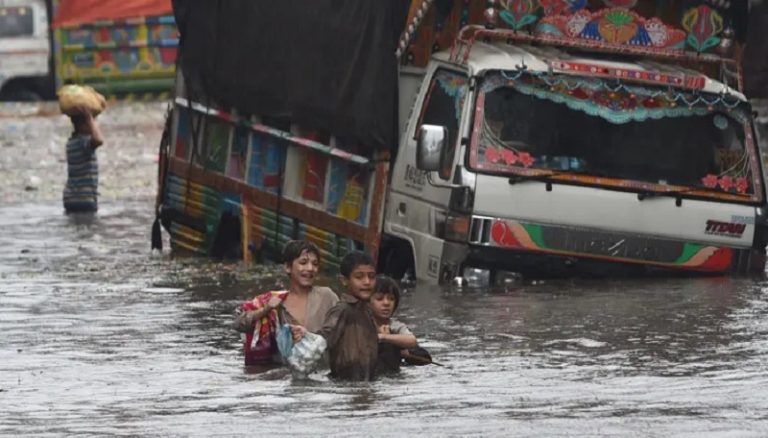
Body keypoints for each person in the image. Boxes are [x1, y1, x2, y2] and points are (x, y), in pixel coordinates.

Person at [233, 240, 338, 366]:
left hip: (322, 375)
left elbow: (342, 331)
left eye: (315, 264)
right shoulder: (274, 302)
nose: (310, 268)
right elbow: (238, 324)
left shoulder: (326, 296)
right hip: (286, 377)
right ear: (288, 267)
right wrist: (265, 310)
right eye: (303, 263)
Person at [292, 251, 379, 381]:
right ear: (344, 280)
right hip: (345, 388)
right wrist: (307, 336)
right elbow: (324, 337)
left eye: (371, 276)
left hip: (364, 383)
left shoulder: (367, 311)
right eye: (359, 277)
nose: (367, 282)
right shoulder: (342, 310)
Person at [369, 275, 418, 375]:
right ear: (367, 302)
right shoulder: (361, 323)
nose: (386, 303)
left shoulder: (395, 326)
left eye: (391, 299)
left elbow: (412, 340)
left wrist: (384, 337)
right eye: (379, 299)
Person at [63, 108, 104, 213]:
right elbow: (99, 140)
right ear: (83, 125)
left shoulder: (70, 143)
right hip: (85, 199)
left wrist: (89, 120)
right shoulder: (84, 142)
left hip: (69, 199)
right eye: (90, 125)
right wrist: (90, 119)